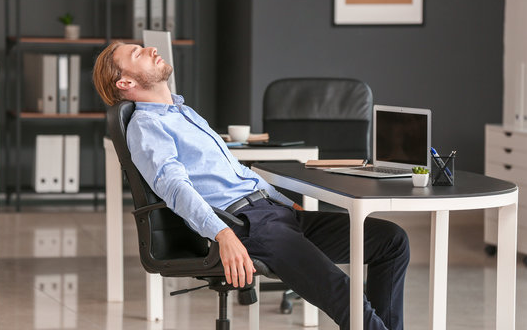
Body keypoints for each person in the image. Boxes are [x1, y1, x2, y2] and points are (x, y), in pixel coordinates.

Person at [93, 42, 410, 330]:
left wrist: (283, 202)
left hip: (275, 215)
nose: (150, 49)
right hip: (247, 226)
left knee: (392, 241)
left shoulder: (183, 113)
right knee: (345, 296)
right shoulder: (147, 126)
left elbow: (236, 170)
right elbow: (175, 189)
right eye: (137, 54)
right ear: (126, 83)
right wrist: (223, 233)